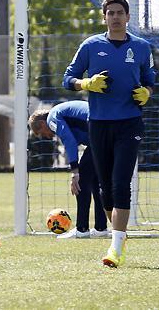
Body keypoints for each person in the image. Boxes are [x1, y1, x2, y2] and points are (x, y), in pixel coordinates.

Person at [62, 0, 156, 268]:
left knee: (121, 182)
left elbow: (150, 80)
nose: (115, 17)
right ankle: (119, 235)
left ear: (127, 17)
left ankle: (115, 247)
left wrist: (147, 93)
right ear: (104, 17)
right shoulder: (90, 46)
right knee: (105, 188)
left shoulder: (141, 47)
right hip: (99, 124)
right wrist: (86, 83)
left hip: (130, 123)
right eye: (110, 13)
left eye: (119, 13)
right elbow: (67, 79)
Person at [28, 100, 109, 238]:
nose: (46, 136)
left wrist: (75, 172)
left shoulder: (52, 118)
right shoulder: (64, 115)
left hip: (100, 136)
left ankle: (81, 229)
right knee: (95, 183)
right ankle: (101, 228)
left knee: (81, 182)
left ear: (42, 123)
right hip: (107, 133)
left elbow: (69, 141)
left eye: (41, 133)